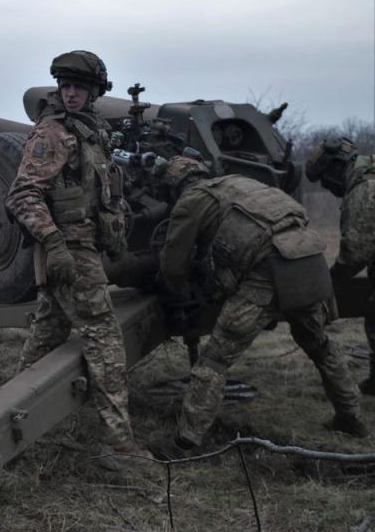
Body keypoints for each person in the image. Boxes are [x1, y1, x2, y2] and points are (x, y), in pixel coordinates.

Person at [150, 157, 367, 460]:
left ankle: (186, 442)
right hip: (309, 260)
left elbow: (173, 265)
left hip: (267, 273)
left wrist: (172, 284)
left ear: (173, 186)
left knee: (214, 360)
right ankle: (351, 418)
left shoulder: (192, 200)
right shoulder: (243, 183)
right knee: (320, 345)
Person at [5, 50, 145, 468]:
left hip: (83, 248)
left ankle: (14, 427)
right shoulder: (53, 134)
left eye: (78, 87)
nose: (70, 94)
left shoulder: (90, 132)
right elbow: (22, 194)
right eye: (64, 87)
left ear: (94, 92)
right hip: (70, 252)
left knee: (44, 337)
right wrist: (55, 245)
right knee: (105, 342)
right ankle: (118, 447)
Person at [305, 137, 375, 395]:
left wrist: (329, 283)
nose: (329, 187)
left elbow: (355, 253)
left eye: (325, 179)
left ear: (335, 167)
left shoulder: (365, 189)